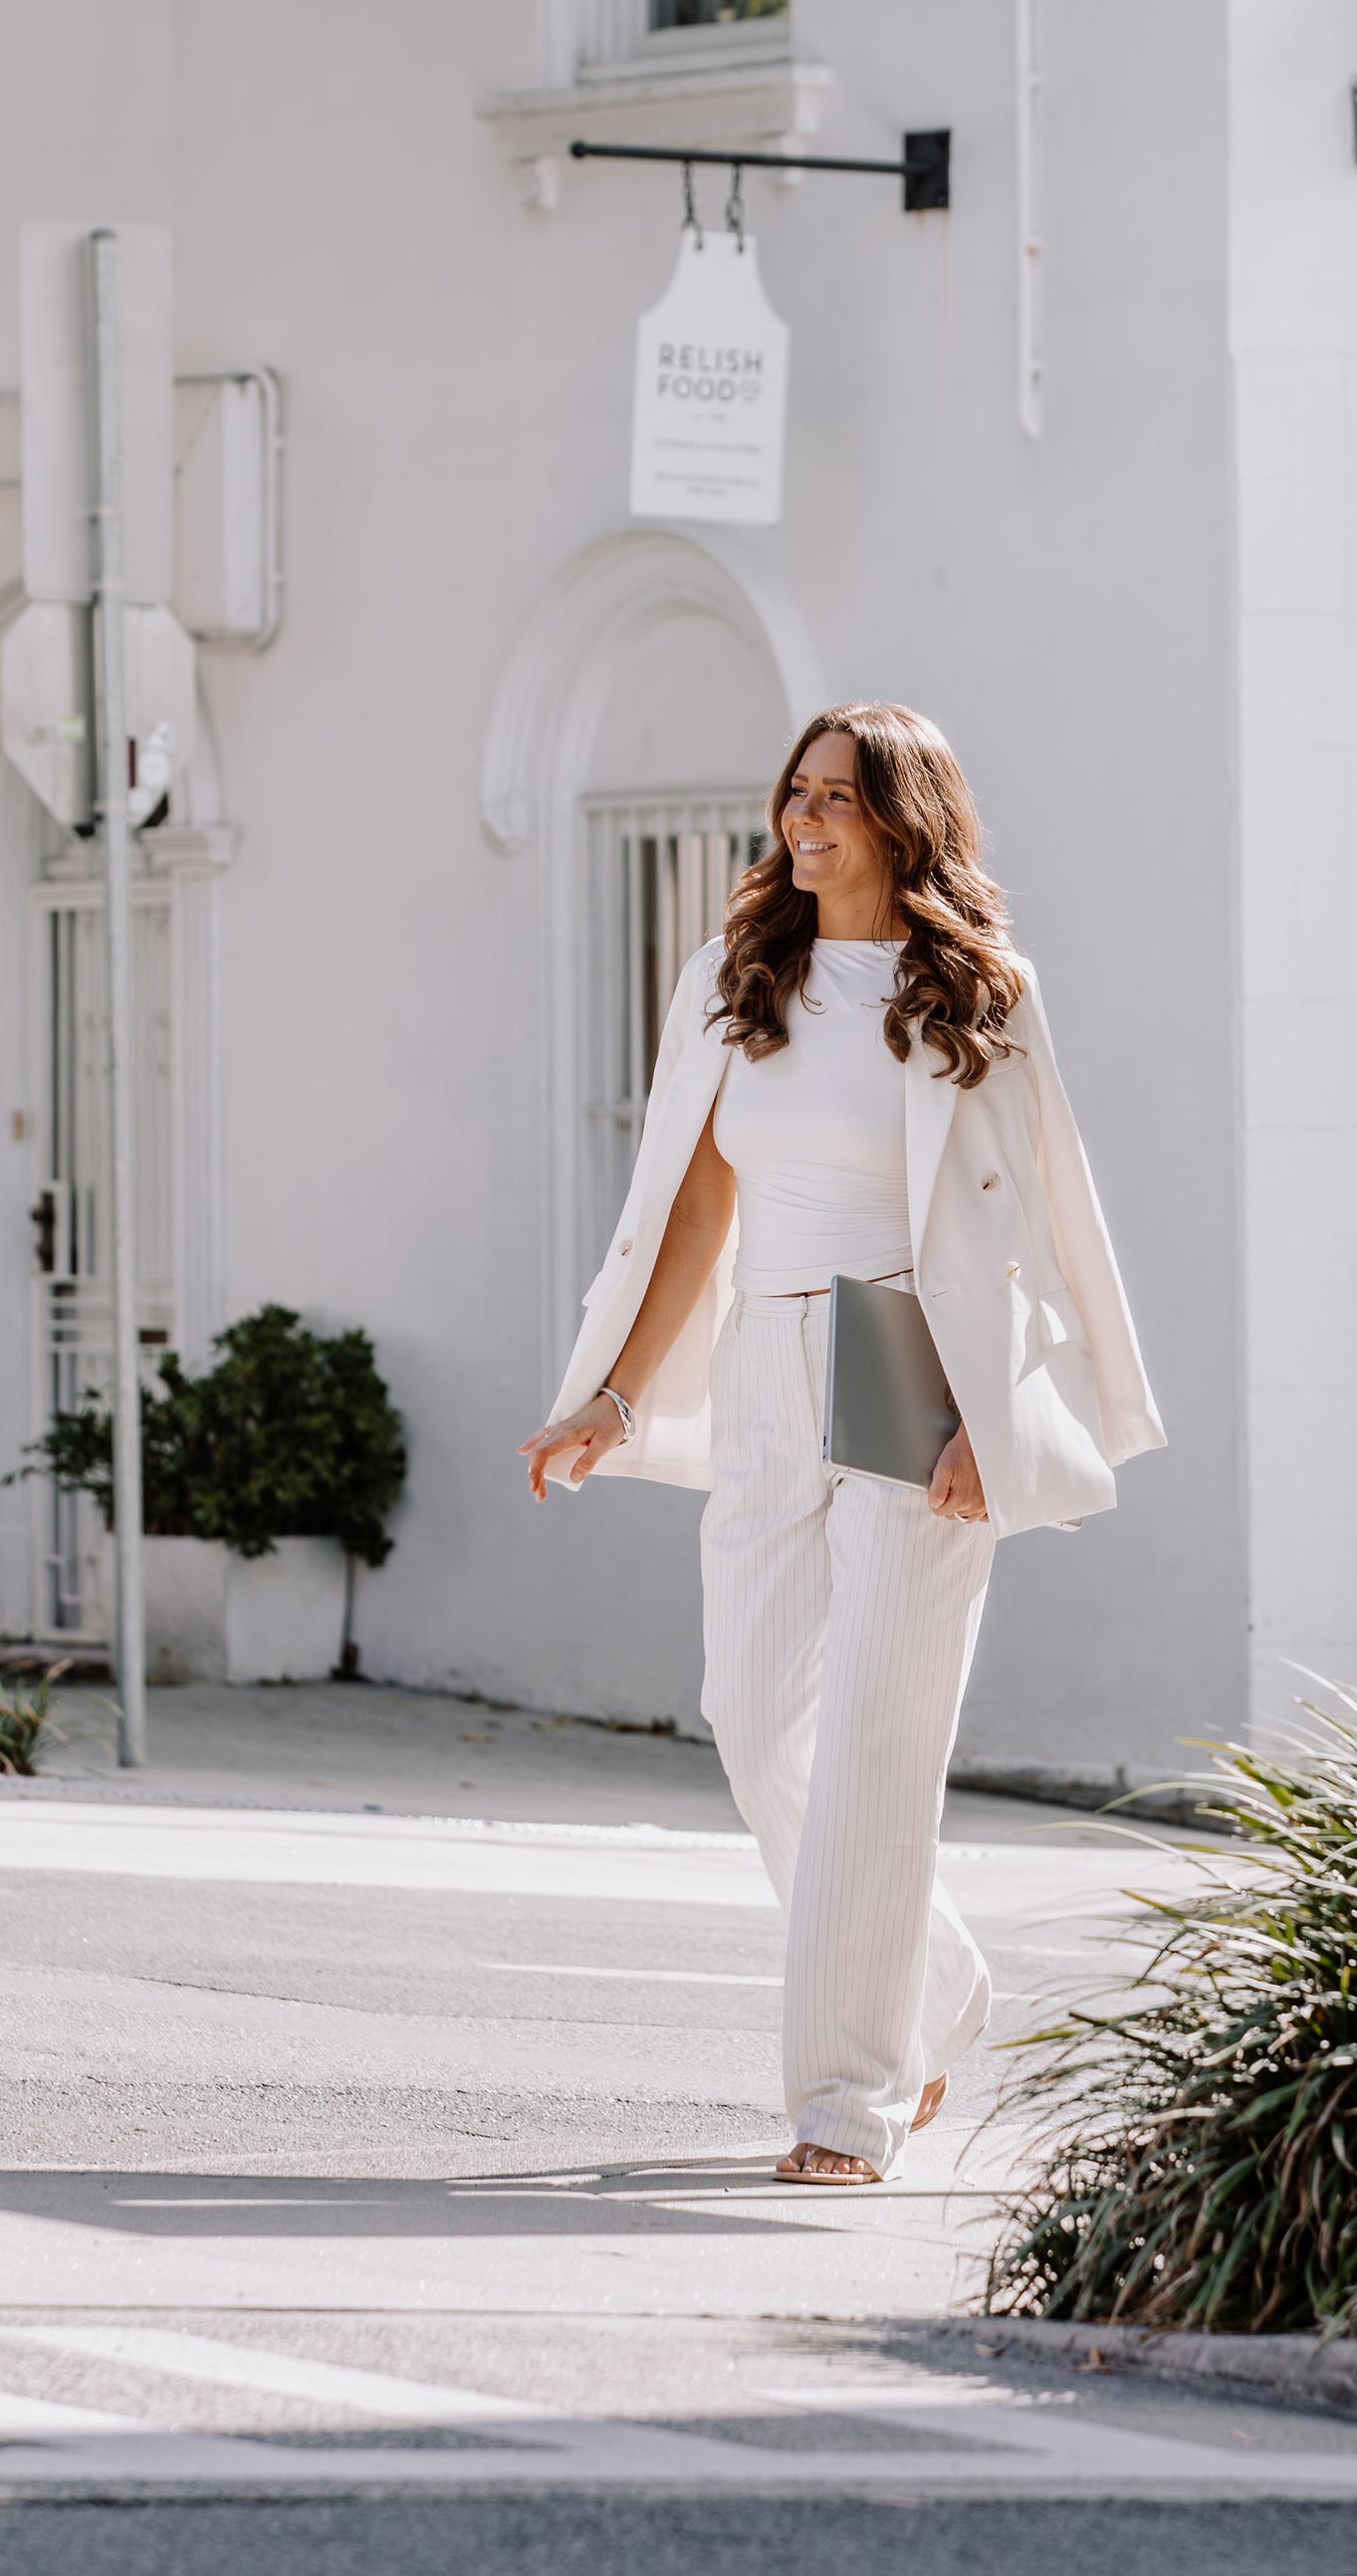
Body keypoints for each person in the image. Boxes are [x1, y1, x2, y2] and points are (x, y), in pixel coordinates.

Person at [521, 704, 1163, 2184]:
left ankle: (847, 2100)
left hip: (906, 1361)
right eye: (794, 797)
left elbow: (1047, 1222)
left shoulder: (977, 993)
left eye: (837, 801)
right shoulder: (738, 977)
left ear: (902, 820)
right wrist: (613, 1396)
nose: (804, 824)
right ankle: (935, 1989)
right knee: (754, 1717)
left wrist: (997, 1428)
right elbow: (691, 1211)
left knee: (878, 1740)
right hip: (764, 1346)